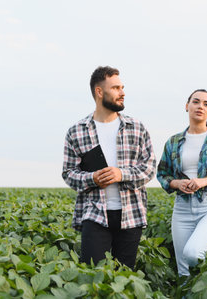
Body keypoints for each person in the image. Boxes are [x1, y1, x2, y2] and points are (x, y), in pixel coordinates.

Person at [62, 66, 156, 269]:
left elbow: (149, 168)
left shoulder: (137, 128)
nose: (122, 93)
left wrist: (121, 174)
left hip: (131, 214)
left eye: (122, 87)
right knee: (92, 275)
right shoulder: (77, 131)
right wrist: (93, 178)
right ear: (99, 91)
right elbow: (68, 173)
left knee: (125, 277)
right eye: (115, 88)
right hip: (94, 213)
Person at [157, 89, 207, 277]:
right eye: (196, 102)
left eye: (206, 104)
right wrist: (177, 184)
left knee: (193, 253)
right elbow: (162, 174)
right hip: (182, 208)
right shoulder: (173, 141)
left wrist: (205, 181)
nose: (200, 106)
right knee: (184, 271)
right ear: (187, 106)